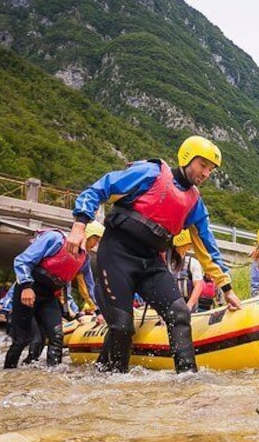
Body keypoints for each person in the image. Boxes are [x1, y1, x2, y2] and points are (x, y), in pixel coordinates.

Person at [64, 135, 242, 374]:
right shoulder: (151, 172)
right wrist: (79, 225)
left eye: (210, 170)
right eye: (203, 165)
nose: (206, 173)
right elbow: (101, 188)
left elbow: (208, 249)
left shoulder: (195, 205)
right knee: (123, 327)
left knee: (179, 313)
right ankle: (112, 383)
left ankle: (187, 378)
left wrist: (227, 289)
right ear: (187, 157)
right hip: (117, 253)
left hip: (151, 261)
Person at [4, 221, 104, 368]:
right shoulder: (55, 239)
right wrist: (26, 286)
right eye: (96, 239)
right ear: (87, 235)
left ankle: (53, 376)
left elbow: (89, 287)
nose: (96, 245)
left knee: (57, 336)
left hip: (48, 296)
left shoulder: (85, 258)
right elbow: (22, 261)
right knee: (22, 339)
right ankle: (8, 373)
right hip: (28, 291)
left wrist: (99, 310)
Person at [168, 229, 205, 312]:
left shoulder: (193, 263)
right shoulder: (167, 264)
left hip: (188, 308)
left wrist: (189, 306)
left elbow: (199, 285)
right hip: (170, 307)